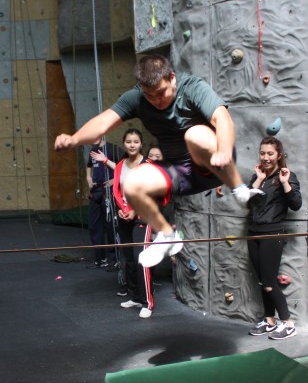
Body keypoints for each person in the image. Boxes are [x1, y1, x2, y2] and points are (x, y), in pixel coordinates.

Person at [55, 54, 261, 268]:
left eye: (161, 92)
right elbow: (103, 122)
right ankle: (167, 235)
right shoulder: (137, 98)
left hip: (212, 161)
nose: (156, 100)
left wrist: (224, 150)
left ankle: (240, 190)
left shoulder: (192, 87)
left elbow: (223, 119)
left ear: (172, 78)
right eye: (149, 95)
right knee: (131, 184)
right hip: (178, 172)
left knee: (194, 135)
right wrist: (74, 139)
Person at [245, 136, 302, 340]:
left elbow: (296, 204)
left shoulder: (287, 175)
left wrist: (285, 183)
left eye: (270, 153)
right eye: (262, 153)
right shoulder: (258, 176)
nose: (266, 157)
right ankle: (270, 320)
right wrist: (258, 180)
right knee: (263, 282)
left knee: (269, 283)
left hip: (272, 233)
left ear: (279, 155)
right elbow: (249, 204)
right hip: (253, 233)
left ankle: (288, 323)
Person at [99, 129, 156, 318]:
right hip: (124, 215)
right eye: (129, 141)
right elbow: (118, 191)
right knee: (129, 259)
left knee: (142, 258)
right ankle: (135, 296)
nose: (132, 145)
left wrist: (134, 210)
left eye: (136, 142)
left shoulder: (148, 165)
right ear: (124, 143)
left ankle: (147, 302)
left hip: (143, 215)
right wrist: (120, 209)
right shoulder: (121, 165)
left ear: (141, 144)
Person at [85, 141, 118, 269]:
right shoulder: (93, 150)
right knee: (94, 225)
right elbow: (89, 165)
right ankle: (100, 258)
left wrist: (115, 180)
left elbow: (124, 167)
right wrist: (88, 177)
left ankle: (114, 259)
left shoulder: (112, 149)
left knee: (110, 226)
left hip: (108, 191)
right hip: (96, 190)